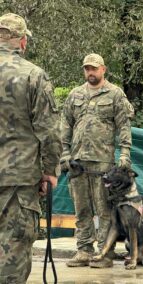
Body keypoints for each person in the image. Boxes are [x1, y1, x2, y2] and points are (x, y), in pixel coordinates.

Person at [0, 13, 62, 283]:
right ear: (22, 42)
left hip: (18, 178)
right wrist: (50, 171)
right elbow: (49, 131)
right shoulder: (34, 76)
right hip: (18, 181)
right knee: (12, 254)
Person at [61, 53, 134, 268]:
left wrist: (125, 154)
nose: (90, 72)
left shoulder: (114, 94)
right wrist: (64, 154)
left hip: (103, 163)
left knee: (105, 210)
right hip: (77, 162)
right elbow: (65, 124)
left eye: (94, 68)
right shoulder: (75, 94)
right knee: (81, 209)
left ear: (103, 69)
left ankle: (105, 252)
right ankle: (84, 250)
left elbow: (124, 126)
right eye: (86, 69)